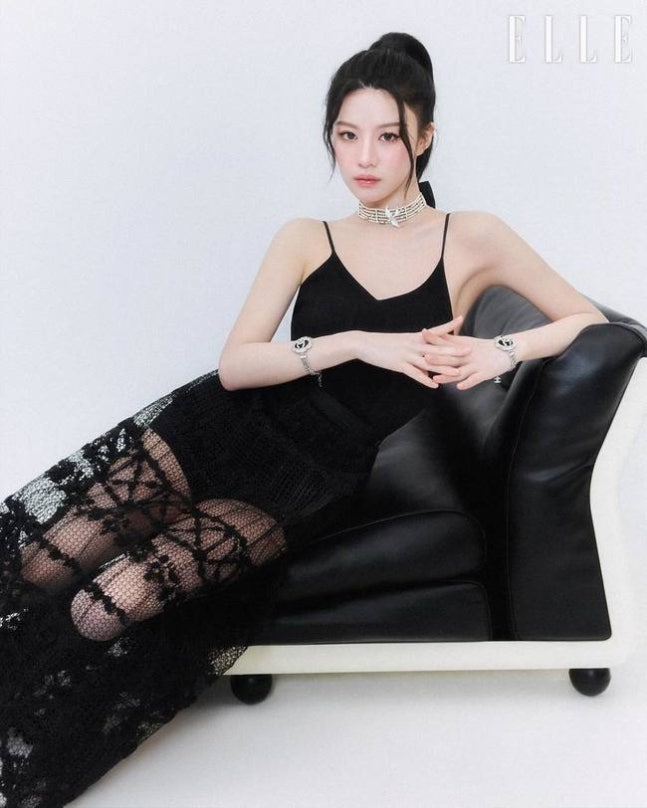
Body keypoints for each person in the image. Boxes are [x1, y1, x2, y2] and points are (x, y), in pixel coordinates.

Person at [0, 31, 608, 807]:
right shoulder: (306, 237)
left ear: (424, 138)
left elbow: (586, 322)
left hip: (310, 477)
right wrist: (355, 342)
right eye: (347, 136)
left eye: (387, 137)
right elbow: (236, 365)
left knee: (103, 603)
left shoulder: (472, 237)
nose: (364, 158)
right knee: (41, 562)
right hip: (215, 426)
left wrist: (500, 349)